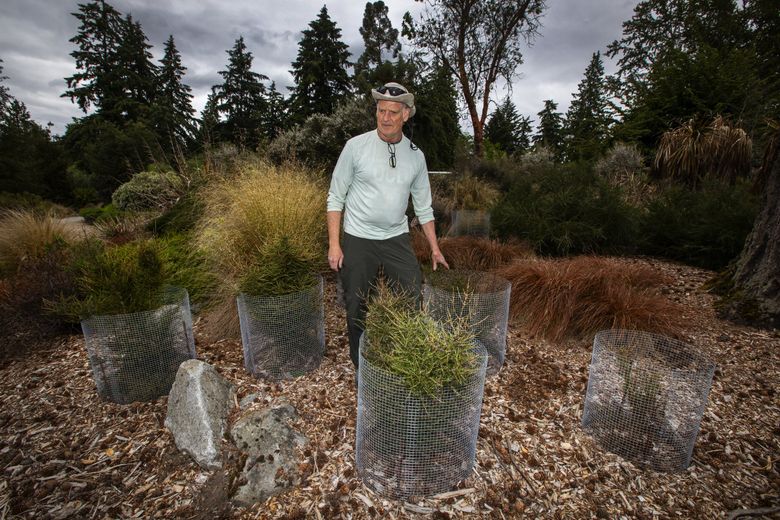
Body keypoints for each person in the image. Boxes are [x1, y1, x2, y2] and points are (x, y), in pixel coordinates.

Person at [326, 82, 449, 370]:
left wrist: (435, 248)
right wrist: (335, 243)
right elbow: (335, 196)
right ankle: (360, 366)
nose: (385, 118)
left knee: (410, 295)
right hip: (359, 237)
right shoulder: (355, 147)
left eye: (393, 112)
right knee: (357, 304)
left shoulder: (416, 156)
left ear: (406, 115)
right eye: (381, 111)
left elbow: (424, 207)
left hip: (396, 237)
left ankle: (405, 357)